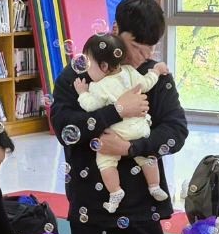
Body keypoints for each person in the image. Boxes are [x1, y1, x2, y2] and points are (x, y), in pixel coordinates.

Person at [48, 0, 189, 234]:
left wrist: (131, 148)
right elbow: (65, 129)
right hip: (94, 203)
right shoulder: (79, 75)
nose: (144, 56)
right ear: (115, 30)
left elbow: (177, 131)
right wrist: (117, 110)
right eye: (137, 47)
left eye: (151, 48)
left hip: (141, 202)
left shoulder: (154, 76)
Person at [74, 32, 172, 212]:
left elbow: (90, 105)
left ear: (103, 66)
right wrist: (156, 70)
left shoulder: (98, 86)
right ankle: (154, 185)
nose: (86, 70)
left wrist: (82, 93)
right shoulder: (130, 72)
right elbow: (147, 83)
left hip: (117, 133)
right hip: (140, 128)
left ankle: (115, 192)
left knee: (105, 161)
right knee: (148, 156)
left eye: (88, 64)